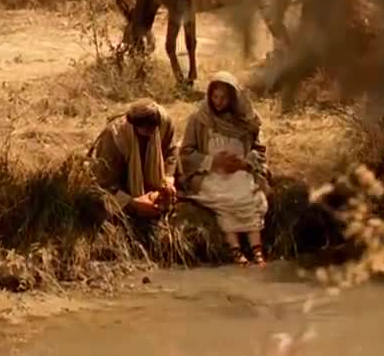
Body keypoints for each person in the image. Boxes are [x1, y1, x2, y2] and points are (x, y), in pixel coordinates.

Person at [179, 71, 272, 266]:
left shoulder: (246, 120)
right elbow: (186, 153)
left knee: (249, 195)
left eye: (223, 98)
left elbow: (259, 149)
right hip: (210, 174)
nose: (218, 102)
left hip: (240, 171)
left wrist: (245, 163)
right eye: (215, 97)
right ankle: (235, 249)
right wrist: (212, 161)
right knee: (225, 200)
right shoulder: (199, 119)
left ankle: (257, 249)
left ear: (233, 98)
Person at [89, 98, 180, 221]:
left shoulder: (164, 122)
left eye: (153, 130)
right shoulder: (115, 137)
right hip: (122, 186)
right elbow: (104, 184)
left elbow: (171, 151)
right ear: (134, 125)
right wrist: (133, 204)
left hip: (154, 181)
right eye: (145, 131)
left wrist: (169, 179)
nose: (150, 134)